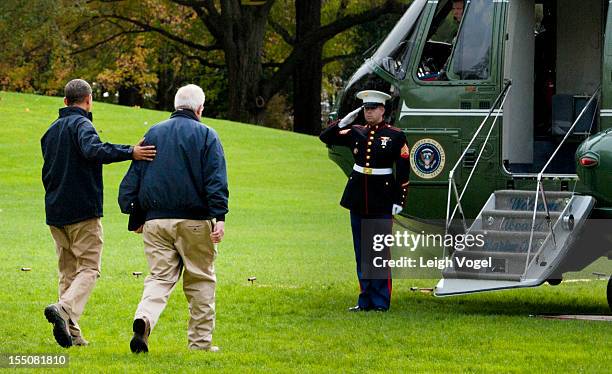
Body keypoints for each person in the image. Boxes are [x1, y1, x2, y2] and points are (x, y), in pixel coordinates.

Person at [41, 79, 156, 348]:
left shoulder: (49, 132)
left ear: (65, 101)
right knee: (90, 268)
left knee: (69, 272)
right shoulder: (82, 124)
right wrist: (131, 152)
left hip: (55, 211)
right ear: (89, 100)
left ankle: (73, 334)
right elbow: (94, 150)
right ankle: (64, 308)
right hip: (82, 210)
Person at [118, 84, 229, 353]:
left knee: (159, 278)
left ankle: (144, 319)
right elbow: (215, 179)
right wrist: (220, 216)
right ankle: (200, 344)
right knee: (200, 279)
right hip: (194, 220)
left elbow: (132, 181)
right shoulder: (206, 135)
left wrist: (135, 215)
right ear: (200, 108)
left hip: (155, 222)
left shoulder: (153, 133)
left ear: (176, 105)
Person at [319, 90, 410, 312]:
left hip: (382, 198)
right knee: (361, 252)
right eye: (366, 109)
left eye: (373, 109)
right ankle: (365, 299)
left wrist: (400, 199)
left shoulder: (396, 135)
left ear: (382, 110)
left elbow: (404, 170)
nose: (369, 113)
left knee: (378, 252)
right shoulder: (356, 132)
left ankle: (380, 301)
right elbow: (326, 137)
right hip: (359, 197)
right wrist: (344, 121)